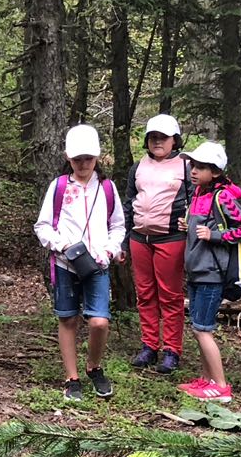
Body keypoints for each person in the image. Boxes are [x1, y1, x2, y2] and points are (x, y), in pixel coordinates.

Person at [34, 124, 127, 402]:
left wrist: (109, 250)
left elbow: (117, 225)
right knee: (68, 318)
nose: (83, 164)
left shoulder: (107, 188)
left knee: (99, 322)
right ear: (68, 158)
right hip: (66, 263)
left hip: (98, 264)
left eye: (88, 158)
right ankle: (71, 377)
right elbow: (43, 226)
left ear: (97, 157)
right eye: (77, 159)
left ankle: (93, 366)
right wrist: (62, 245)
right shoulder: (60, 186)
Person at [177, 142, 241, 402]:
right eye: (192, 166)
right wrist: (188, 226)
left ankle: (220, 386)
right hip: (196, 272)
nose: (194, 171)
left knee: (202, 330)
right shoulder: (198, 194)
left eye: (201, 167)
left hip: (212, 274)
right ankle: (206, 380)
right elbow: (201, 226)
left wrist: (214, 235)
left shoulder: (223, 197)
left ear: (216, 172)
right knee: (198, 328)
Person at [123, 113, 192, 374]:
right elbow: (129, 203)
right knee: (145, 294)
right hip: (140, 238)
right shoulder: (138, 167)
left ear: (175, 140)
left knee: (170, 296)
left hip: (171, 238)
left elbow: (196, 201)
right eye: (153, 137)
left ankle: (172, 350)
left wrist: (191, 224)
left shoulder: (186, 166)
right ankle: (149, 346)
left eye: (163, 137)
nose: (157, 141)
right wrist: (124, 239)